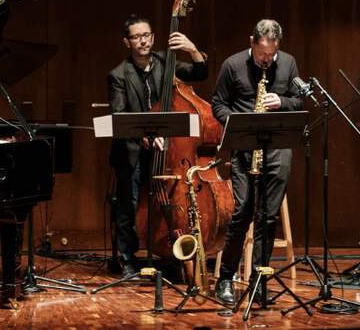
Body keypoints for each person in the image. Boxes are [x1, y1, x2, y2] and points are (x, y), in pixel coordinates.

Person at [107, 15, 208, 277]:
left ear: (153, 37)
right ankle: (128, 260)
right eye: (136, 37)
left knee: (171, 200)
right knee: (128, 204)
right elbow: (120, 116)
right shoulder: (118, 75)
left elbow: (200, 73)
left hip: (167, 150)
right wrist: (145, 136)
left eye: (146, 35)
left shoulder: (167, 62)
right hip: (132, 149)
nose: (143, 41)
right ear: (127, 42)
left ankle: (172, 254)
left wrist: (192, 49)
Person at [212, 19, 304, 305]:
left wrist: (283, 103)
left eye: (271, 54)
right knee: (242, 214)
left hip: (277, 149)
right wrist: (238, 122)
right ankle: (225, 278)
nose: (267, 60)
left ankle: (258, 281)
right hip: (244, 148)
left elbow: (298, 101)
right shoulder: (232, 65)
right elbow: (218, 104)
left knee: (268, 217)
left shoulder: (288, 63)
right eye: (262, 54)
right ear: (251, 42)